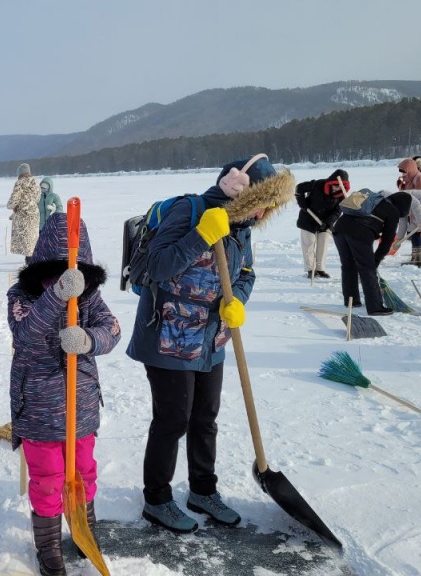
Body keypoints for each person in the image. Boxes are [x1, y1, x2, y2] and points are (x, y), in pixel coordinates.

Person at [126, 154, 295, 534]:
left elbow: (247, 273)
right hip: (167, 337)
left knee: (205, 419)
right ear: (243, 194)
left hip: (211, 339)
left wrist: (238, 301)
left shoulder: (243, 225)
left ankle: (203, 491)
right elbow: (157, 267)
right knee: (172, 421)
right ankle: (157, 500)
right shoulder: (189, 210)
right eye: (263, 203)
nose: (265, 212)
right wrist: (201, 235)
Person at [8, 212, 120, 575]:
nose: (63, 281)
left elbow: (113, 329)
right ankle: (49, 546)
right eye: (53, 274)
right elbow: (26, 335)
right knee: (48, 478)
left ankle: (83, 528)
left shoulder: (90, 299)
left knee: (84, 471)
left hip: (82, 405)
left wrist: (90, 339)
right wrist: (57, 296)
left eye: (69, 273)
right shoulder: (21, 297)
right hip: (39, 411)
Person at [333, 190, 413, 315]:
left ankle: (351, 301)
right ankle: (375, 307)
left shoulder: (373, 200)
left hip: (339, 228)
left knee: (348, 266)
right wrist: (375, 261)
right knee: (367, 270)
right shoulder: (393, 211)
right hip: (359, 233)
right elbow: (387, 241)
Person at [295, 169, 348, 278]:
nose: (336, 188)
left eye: (339, 186)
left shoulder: (342, 195)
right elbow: (299, 188)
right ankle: (311, 270)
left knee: (323, 245)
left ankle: (320, 269)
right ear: (331, 182)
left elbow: (338, 210)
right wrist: (302, 202)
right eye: (335, 185)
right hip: (308, 218)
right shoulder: (317, 184)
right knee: (309, 243)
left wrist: (328, 222)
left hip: (325, 222)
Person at [7, 163, 40, 262]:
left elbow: (14, 199)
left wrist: (10, 205)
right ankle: (32, 260)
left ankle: (29, 263)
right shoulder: (35, 182)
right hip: (34, 214)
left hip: (23, 215)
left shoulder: (20, 183)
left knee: (26, 242)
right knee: (32, 240)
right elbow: (38, 198)